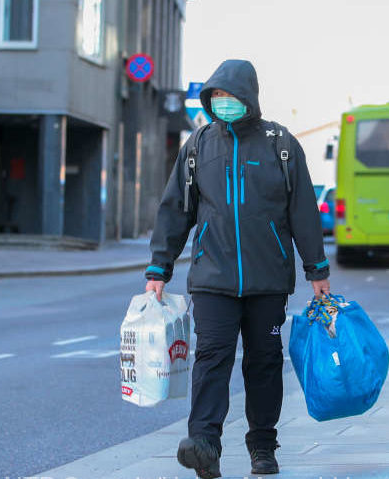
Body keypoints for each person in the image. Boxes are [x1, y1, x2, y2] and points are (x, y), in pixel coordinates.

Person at [144, 59, 330, 478]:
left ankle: (263, 446)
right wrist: (159, 268)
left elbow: (303, 210)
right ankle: (205, 443)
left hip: (267, 280)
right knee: (211, 357)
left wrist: (316, 269)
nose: (224, 103)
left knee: (264, 361)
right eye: (217, 97)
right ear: (210, 100)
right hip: (213, 278)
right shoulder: (198, 146)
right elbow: (176, 210)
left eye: (231, 96)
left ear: (249, 96)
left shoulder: (280, 144)